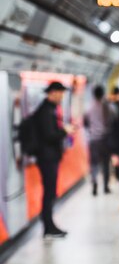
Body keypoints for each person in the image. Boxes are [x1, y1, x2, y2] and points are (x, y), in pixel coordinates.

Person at [35, 81, 74, 239]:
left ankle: (49, 225)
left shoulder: (48, 109)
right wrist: (64, 130)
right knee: (49, 192)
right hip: (47, 157)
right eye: (60, 93)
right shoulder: (45, 111)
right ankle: (48, 227)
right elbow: (49, 136)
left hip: (49, 157)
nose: (62, 97)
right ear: (52, 92)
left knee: (50, 192)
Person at [84, 85, 113, 196]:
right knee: (106, 163)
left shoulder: (89, 107)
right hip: (105, 139)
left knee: (94, 163)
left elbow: (85, 122)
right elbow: (112, 120)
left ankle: (94, 182)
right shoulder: (107, 107)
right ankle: (105, 186)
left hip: (93, 139)